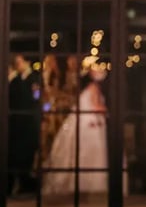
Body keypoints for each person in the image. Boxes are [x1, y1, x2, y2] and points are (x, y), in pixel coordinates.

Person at [42, 65, 109, 195]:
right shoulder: (93, 88)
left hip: (87, 122)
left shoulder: (89, 89)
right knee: (90, 153)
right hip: (90, 123)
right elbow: (96, 106)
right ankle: (88, 185)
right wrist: (107, 111)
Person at [7, 54, 41, 195]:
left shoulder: (34, 78)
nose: (17, 65)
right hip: (17, 122)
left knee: (27, 154)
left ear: (27, 62)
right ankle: (19, 183)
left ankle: (27, 185)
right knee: (16, 154)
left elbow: (36, 97)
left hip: (29, 122)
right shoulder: (15, 79)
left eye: (19, 62)